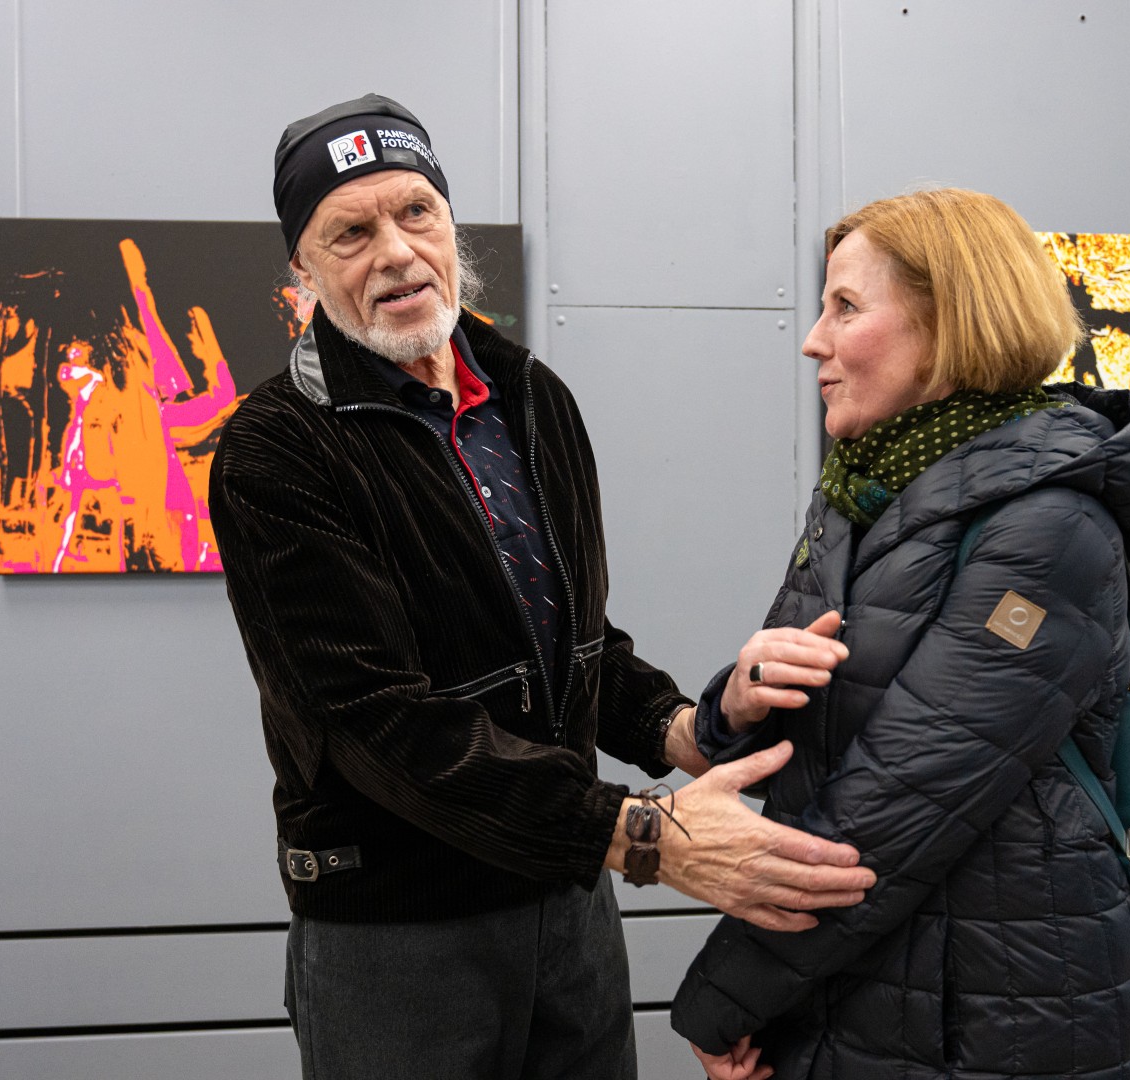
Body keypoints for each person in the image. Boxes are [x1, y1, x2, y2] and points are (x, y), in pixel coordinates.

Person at [207, 93, 877, 1080]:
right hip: (400, 934)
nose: (395, 252)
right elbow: (372, 723)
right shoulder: (277, 450)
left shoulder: (529, 396)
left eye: (416, 212)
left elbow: (571, 643)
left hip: (568, 906)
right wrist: (643, 834)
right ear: (301, 271)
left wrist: (694, 727)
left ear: (450, 224)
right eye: (350, 232)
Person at [670, 188, 1130, 1080]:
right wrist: (736, 701)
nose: (813, 340)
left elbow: (903, 800)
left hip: (997, 1018)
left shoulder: (1053, 526)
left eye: (845, 307)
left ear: (948, 327)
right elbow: (810, 727)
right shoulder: (860, 495)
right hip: (857, 989)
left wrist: (724, 998)